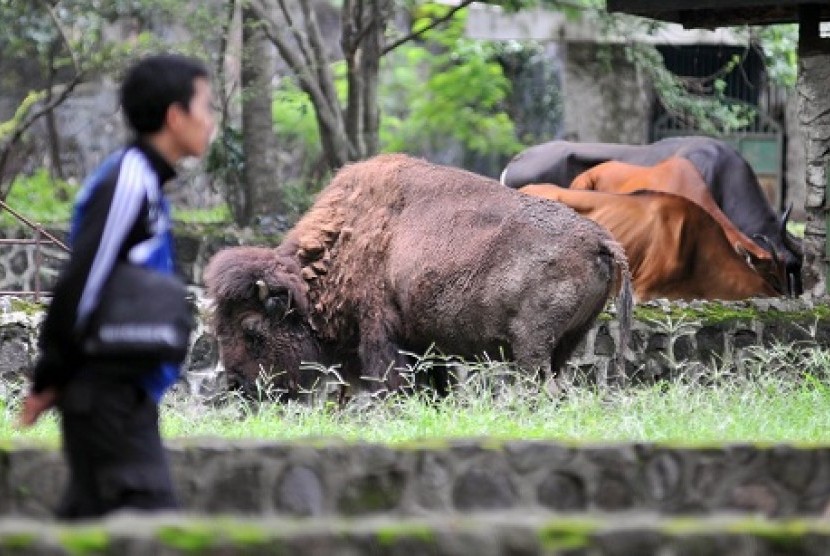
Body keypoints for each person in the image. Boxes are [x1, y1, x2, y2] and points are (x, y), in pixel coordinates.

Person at [19, 53, 215, 519]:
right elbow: (84, 276)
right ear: (174, 115)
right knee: (149, 516)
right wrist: (51, 375)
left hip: (123, 391)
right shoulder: (130, 178)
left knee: (91, 517)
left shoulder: (145, 181)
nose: (210, 122)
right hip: (105, 391)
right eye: (205, 107)